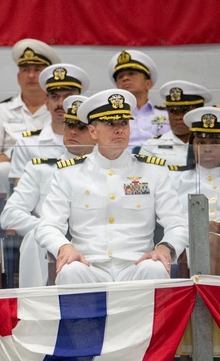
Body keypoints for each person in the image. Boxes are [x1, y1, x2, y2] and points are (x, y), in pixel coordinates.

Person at [35, 88, 188, 285]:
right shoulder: (69, 174)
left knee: (155, 268)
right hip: (88, 264)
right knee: (69, 272)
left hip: (137, 263)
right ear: (92, 131)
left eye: (124, 123)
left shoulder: (153, 171)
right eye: (110, 124)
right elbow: (47, 225)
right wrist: (63, 246)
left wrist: (166, 247)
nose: (119, 129)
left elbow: (177, 223)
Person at [1, 95, 96, 287]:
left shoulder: (108, 173)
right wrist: (47, 229)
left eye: (81, 127)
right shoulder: (40, 169)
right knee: (36, 237)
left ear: (95, 132)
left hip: (94, 243)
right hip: (48, 248)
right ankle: (34, 307)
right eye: (69, 125)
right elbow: (9, 215)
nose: (73, 132)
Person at [0, 40, 60, 195]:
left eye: (37, 69)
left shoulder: (59, 109)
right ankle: (2, 214)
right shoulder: (2, 110)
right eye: (26, 70)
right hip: (10, 165)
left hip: (50, 163)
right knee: (0, 170)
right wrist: (0, 157)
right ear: (19, 77)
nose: (31, 75)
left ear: (48, 78)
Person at [173, 107, 220, 276]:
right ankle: (219, 303)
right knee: (210, 242)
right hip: (192, 242)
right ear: (191, 146)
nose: (208, 149)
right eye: (201, 143)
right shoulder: (175, 179)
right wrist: (198, 227)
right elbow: (166, 218)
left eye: (215, 143)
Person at [8, 63, 90, 184]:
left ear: (79, 102)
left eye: (68, 97)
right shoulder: (27, 143)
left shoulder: (94, 142)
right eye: (55, 97)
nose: (60, 104)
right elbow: (20, 190)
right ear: (46, 102)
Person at [139, 80, 212, 167]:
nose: (178, 117)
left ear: (198, 113)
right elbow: (144, 177)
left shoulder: (213, 145)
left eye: (184, 111)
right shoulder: (151, 145)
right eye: (173, 111)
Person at [107, 50, 168, 148]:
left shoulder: (167, 115)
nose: (125, 78)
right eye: (120, 76)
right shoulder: (109, 119)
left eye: (131, 73)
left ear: (148, 83)